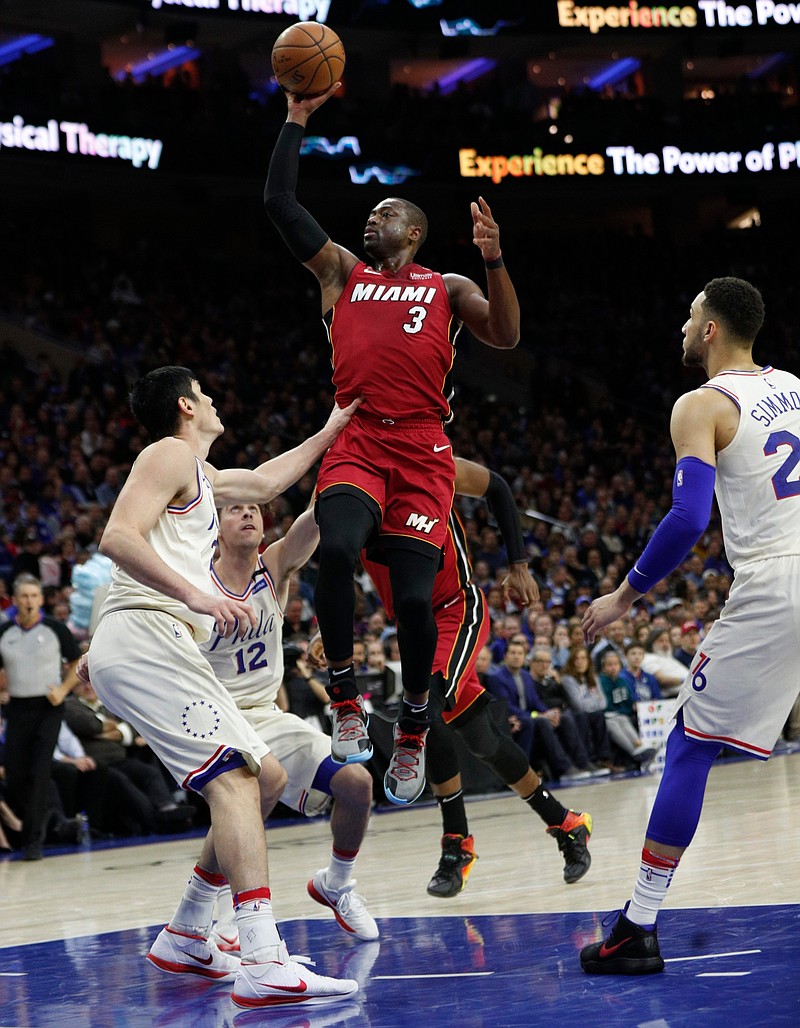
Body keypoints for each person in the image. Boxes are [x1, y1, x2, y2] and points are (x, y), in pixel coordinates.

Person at [264, 82, 521, 806]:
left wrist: (496, 260)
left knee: (413, 600)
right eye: (370, 213)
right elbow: (281, 206)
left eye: (386, 214)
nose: (370, 218)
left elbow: (506, 335)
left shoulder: (447, 285)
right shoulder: (341, 273)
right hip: (354, 438)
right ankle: (345, 700)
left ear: (413, 233)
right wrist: (295, 120)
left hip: (422, 452)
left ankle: (411, 731)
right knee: (337, 550)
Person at [84, 366, 360, 1008]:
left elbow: (265, 482)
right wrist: (197, 595)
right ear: (186, 405)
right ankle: (262, 959)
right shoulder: (170, 451)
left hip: (150, 636)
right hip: (151, 631)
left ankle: (186, 931)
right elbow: (116, 537)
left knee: (262, 779)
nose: (213, 400)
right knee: (238, 780)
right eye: (205, 393)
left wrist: (333, 428)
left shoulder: (202, 475)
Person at [580, 277, 800, 975]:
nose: (682, 322)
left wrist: (625, 595)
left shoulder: (700, 404)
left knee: (689, 747)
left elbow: (687, 518)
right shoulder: (795, 384)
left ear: (710, 329)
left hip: (778, 580)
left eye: (690, 313)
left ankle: (636, 928)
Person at [312, 459, 594, 891]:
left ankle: (456, 842)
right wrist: (324, 628)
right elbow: (339, 564)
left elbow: (498, 484)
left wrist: (517, 564)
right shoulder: (351, 484)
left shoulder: (432, 460)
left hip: (455, 610)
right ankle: (567, 823)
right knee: (482, 738)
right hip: (415, 628)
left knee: (423, 711)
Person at [194, 499, 377, 949]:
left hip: (266, 714)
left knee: (357, 783)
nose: (248, 514)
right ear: (215, 527)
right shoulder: (193, 582)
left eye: (254, 507)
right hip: (215, 717)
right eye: (234, 508)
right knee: (255, 793)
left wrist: (343, 453)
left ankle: (335, 883)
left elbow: (319, 512)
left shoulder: (273, 567)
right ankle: (224, 910)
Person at [0, 573, 82, 859]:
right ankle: (44, 818)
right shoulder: (5, 632)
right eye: (24, 596)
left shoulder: (55, 629)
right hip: (17, 708)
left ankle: (33, 841)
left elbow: (78, 663)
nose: (29, 601)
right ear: (15, 599)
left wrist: (63, 689)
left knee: (38, 773)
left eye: (34, 595)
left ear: (41, 599)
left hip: (48, 708)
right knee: (15, 775)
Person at [486, 641, 593, 784]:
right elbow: (506, 707)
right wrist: (538, 715)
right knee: (540, 722)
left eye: (520, 653)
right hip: (514, 719)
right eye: (513, 653)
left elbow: (535, 701)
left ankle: (583, 763)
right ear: (505, 656)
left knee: (564, 718)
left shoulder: (525, 676)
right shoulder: (496, 678)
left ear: (524, 657)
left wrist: (548, 712)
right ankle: (564, 768)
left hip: (531, 717)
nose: (516, 657)